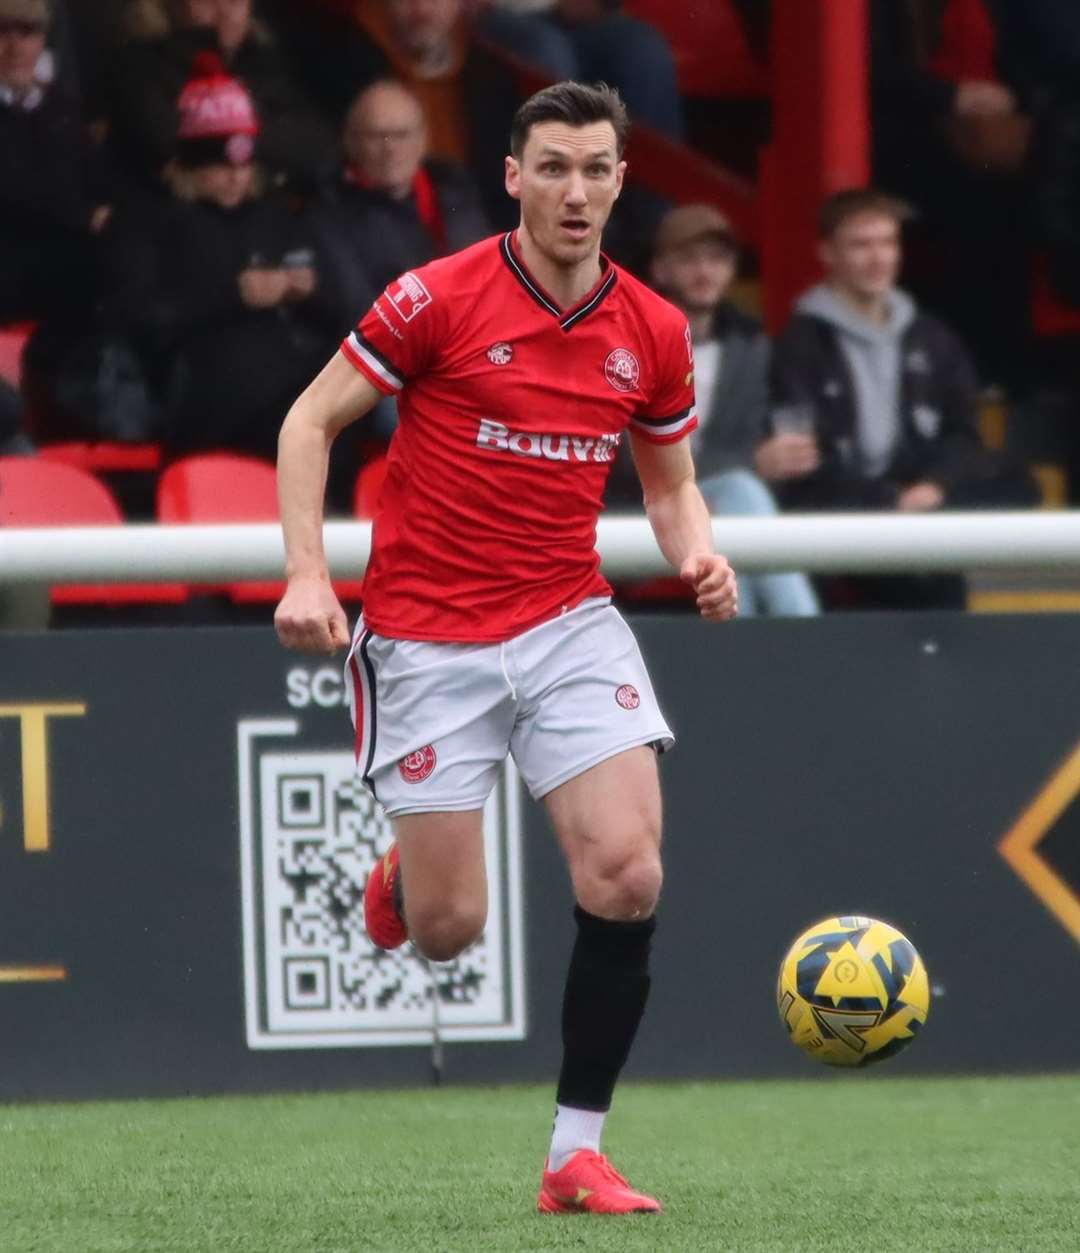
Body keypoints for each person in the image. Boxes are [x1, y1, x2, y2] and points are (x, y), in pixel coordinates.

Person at [274, 81, 737, 1214]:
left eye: (597, 169)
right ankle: (401, 879)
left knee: (629, 871)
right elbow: (308, 421)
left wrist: (699, 552)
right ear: (516, 178)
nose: (577, 191)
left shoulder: (653, 331)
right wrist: (305, 572)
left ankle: (575, 1150)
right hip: (428, 636)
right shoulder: (436, 295)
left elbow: (670, 486)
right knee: (448, 930)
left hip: (568, 618)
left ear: (623, 181)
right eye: (556, 168)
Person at [769, 187, 1037, 610]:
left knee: (1019, 486)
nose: (879, 258)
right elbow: (804, 459)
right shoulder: (800, 344)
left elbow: (962, 433)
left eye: (888, 243)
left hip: (920, 497)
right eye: (861, 245)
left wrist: (932, 487)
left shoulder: (932, 337)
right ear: (828, 253)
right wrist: (889, 501)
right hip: (844, 505)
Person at [102, 50, 344, 457]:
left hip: (285, 378)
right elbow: (139, 317)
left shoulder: (272, 216)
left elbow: (337, 310)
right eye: (219, 166)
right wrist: (234, 296)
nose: (235, 177)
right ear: (187, 167)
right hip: (201, 388)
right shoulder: (148, 221)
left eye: (244, 166)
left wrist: (307, 292)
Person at [648, 202, 818, 617]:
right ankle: (801, 634)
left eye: (717, 259)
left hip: (727, 504)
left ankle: (754, 641)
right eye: (689, 259)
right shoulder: (632, 344)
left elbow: (754, 440)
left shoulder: (751, 348)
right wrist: (751, 463)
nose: (705, 271)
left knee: (743, 500)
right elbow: (620, 457)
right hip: (649, 500)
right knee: (743, 490)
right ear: (661, 270)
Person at [109, 0, 337, 190]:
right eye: (208, 1)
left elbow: (317, 145)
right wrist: (262, 134)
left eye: (235, 1)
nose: (224, 13)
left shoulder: (261, 60)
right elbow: (169, 145)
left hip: (261, 220)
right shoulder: (141, 63)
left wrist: (231, 137)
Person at [312, 79, 490, 313]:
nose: (390, 149)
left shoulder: (456, 190)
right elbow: (358, 308)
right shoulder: (329, 213)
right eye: (376, 136)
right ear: (351, 142)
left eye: (402, 134)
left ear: (423, 139)